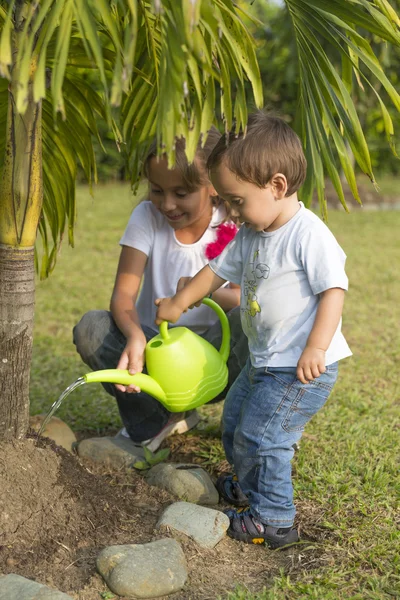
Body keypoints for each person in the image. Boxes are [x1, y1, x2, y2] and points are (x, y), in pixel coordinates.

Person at [155, 111, 352, 548]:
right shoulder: (249, 233)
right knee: (235, 424)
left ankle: (275, 518)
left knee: (263, 436)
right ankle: (251, 489)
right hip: (265, 360)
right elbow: (213, 273)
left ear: (277, 186)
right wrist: (177, 304)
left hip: (300, 368)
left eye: (236, 200)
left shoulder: (308, 234)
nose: (229, 211)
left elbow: (334, 290)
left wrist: (316, 348)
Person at [73, 127, 249, 454]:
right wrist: (136, 337)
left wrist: (195, 294)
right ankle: (153, 421)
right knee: (91, 328)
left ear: (212, 185)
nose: (166, 204)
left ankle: (243, 424)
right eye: (157, 190)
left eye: (181, 193)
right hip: (151, 351)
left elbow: (240, 297)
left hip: (208, 360)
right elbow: (123, 295)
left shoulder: (233, 223)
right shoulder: (146, 217)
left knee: (249, 321)